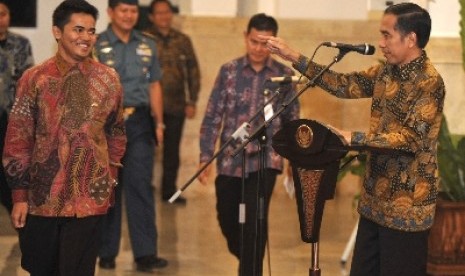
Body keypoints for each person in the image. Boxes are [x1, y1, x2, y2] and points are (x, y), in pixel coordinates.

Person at [261, 3, 445, 275]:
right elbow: (342, 84)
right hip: (374, 201)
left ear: (411, 39)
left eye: (387, 35)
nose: (380, 43)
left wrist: (353, 138)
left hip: (408, 208)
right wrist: (293, 56)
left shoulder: (429, 82)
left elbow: (410, 140)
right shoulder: (385, 72)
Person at [2, 0, 127, 275]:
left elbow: (116, 130)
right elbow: (18, 140)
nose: (86, 38)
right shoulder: (34, 79)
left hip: (88, 203)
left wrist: (110, 173)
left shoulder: (109, 79)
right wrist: (19, 195)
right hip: (42, 201)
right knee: (42, 268)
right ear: (57, 32)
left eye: (91, 31)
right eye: (78, 29)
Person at [197, 13, 300, 275]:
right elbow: (212, 115)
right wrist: (205, 156)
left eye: (264, 43)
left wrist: (294, 161)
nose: (258, 48)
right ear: (246, 37)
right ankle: (248, 259)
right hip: (230, 159)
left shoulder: (284, 77)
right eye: (254, 41)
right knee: (229, 219)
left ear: (274, 43)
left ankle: (250, 269)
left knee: (255, 221)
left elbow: (292, 122)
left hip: (267, 159)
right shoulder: (228, 71)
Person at [94, 0, 168, 272]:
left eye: (133, 10)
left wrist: (159, 124)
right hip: (105, 124)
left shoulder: (147, 44)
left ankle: (145, 253)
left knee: (140, 186)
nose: (128, 15)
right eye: (123, 10)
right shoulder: (97, 43)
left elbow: (154, 85)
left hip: (139, 123)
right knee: (107, 187)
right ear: (111, 13)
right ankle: (106, 251)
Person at [145, 0, 201, 204]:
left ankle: (168, 191)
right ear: (151, 16)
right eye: (159, 13)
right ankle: (143, 188)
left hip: (177, 104)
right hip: (148, 106)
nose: (164, 17)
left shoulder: (183, 40)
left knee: (172, 151)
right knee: (145, 150)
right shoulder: (144, 39)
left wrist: (192, 100)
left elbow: (193, 71)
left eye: (167, 12)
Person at [0, 0, 34, 213]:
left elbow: (28, 83)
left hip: (11, 120)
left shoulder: (21, 44)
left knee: (10, 175)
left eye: (3, 14)